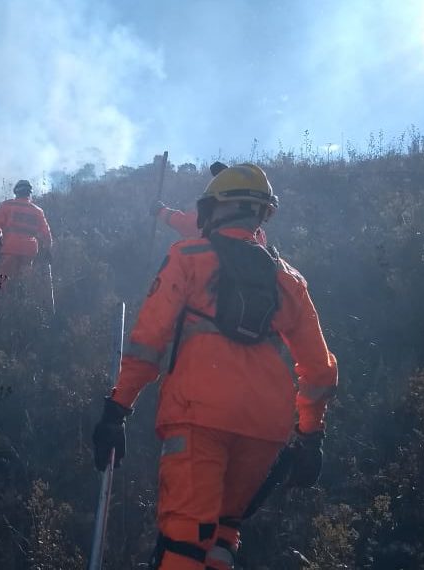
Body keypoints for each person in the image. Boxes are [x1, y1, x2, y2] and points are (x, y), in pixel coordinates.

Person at [92, 164, 338, 569]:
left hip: (198, 418)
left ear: (213, 210)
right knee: (223, 534)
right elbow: (319, 371)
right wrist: (310, 437)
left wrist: (117, 408)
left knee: (186, 541)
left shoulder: (189, 256)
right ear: (262, 214)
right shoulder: (288, 280)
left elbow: (147, 342)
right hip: (265, 430)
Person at [0, 179, 53, 279]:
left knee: (3, 279)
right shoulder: (38, 211)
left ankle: (3, 293)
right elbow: (46, 233)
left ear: (16, 192)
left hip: (10, 248)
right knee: (25, 279)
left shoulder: (7, 205)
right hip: (29, 250)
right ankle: (24, 292)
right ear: (29, 193)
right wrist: (48, 249)